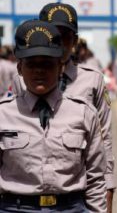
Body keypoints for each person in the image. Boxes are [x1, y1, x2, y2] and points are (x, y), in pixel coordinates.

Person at [0, 20, 106, 212]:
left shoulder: (83, 113)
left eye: (47, 64)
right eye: (31, 64)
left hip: (70, 207)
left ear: (60, 68)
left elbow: (96, 177)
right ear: (19, 69)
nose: (39, 70)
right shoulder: (3, 115)